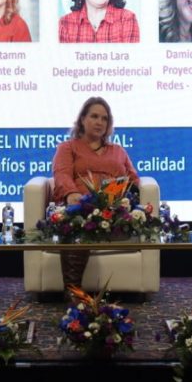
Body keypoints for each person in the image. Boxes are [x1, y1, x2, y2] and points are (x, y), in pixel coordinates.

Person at [52, 97, 140, 294]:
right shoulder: (67, 148)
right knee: (76, 224)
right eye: (94, 116)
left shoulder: (118, 151)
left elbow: (134, 180)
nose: (100, 122)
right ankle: (74, 291)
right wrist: (71, 193)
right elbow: (62, 174)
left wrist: (131, 196)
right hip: (81, 206)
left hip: (114, 209)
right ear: (83, 119)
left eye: (104, 118)